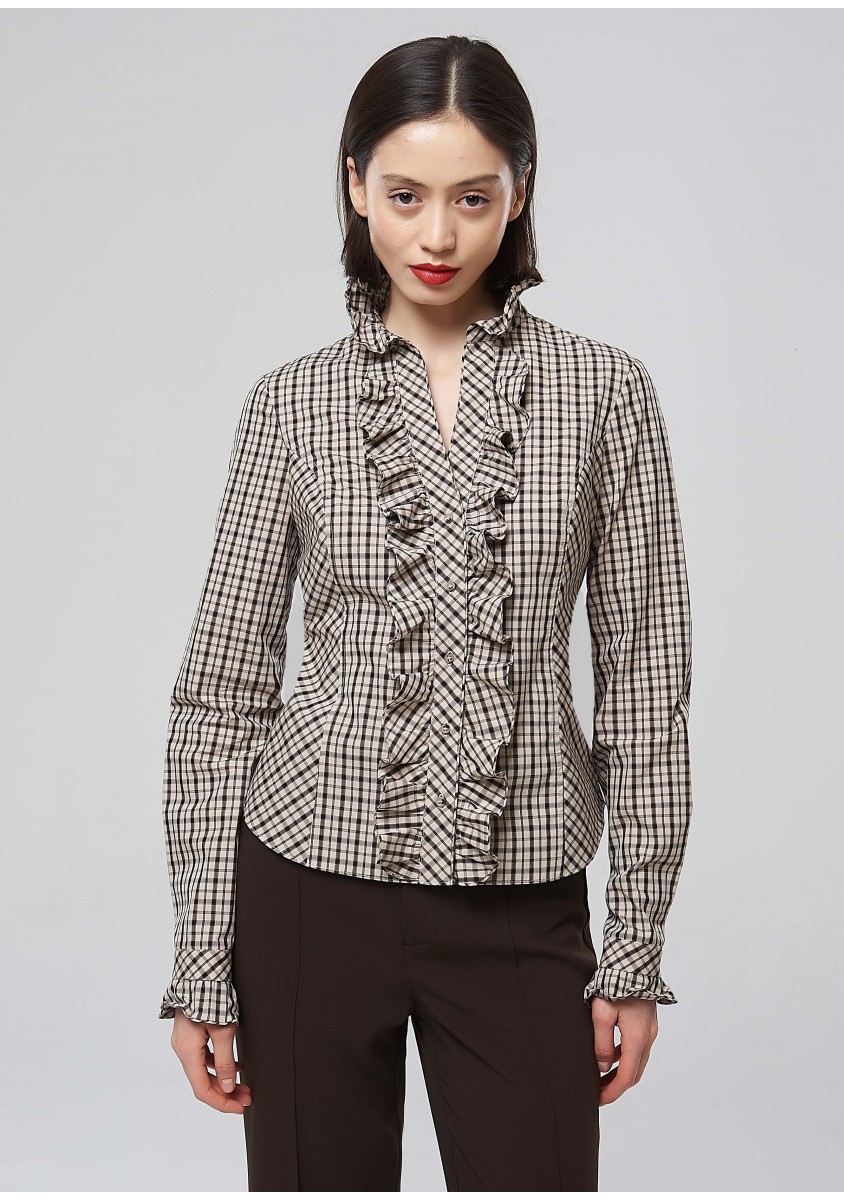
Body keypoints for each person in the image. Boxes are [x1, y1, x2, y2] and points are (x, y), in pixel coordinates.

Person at [157, 34, 693, 1193]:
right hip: (306, 889)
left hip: (522, 896)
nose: (437, 236)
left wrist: (634, 951)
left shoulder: (607, 394)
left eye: (472, 197)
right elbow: (221, 694)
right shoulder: (290, 404)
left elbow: (647, 687)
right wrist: (204, 960)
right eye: (405, 196)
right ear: (355, 185)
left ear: (522, 188)